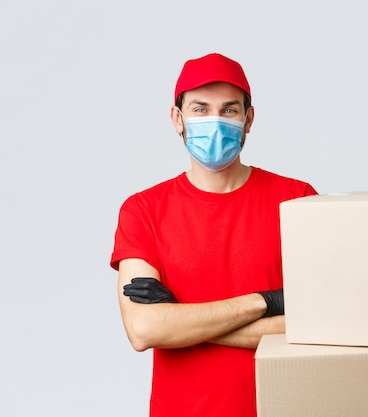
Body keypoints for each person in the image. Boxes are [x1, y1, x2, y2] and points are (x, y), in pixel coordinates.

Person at [110, 52, 317, 417]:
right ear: (178, 119)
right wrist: (267, 302)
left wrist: (178, 320)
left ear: (249, 119)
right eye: (201, 110)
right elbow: (143, 329)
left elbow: (322, 322)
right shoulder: (142, 210)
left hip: (282, 407)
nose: (216, 121)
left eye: (230, 110)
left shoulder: (297, 200)